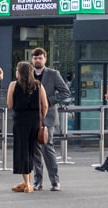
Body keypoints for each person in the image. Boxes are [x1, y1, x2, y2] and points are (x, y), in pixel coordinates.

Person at [31, 47, 71, 191]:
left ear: (45, 59)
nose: (37, 60)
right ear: (32, 60)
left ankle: (55, 181)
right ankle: (38, 181)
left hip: (48, 117)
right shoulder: (28, 74)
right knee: (34, 150)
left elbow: (65, 92)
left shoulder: (53, 74)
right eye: (35, 58)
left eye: (40, 58)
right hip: (32, 116)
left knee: (47, 147)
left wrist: (48, 100)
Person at [7, 60, 49, 192]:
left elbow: (10, 104)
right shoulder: (38, 85)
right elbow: (45, 105)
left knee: (22, 151)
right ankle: (28, 182)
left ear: (19, 72)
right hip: (35, 121)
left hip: (20, 120)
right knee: (32, 150)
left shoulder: (13, 85)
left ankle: (28, 183)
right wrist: (41, 117)